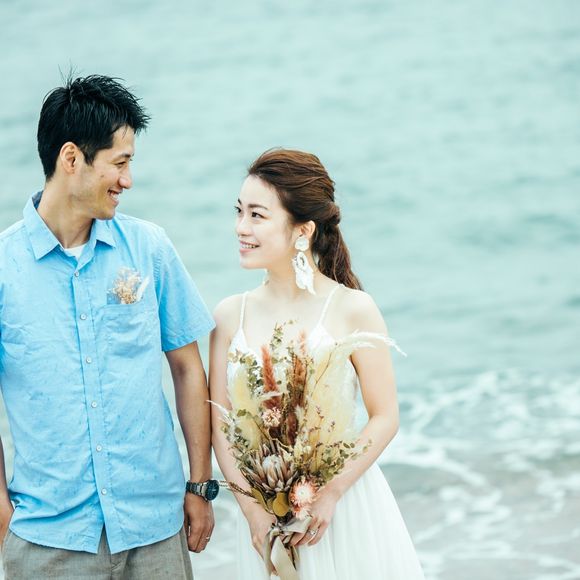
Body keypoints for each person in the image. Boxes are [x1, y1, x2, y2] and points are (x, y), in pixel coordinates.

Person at [0, 75, 218, 579]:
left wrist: (199, 485)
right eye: (119, 163)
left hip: (155, 528)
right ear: (71, 158)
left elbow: (187, 369)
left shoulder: (149, 248)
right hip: (48, 541)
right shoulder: (5, 268)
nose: (128, 180)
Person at [210, 148, 425, 579]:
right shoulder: (230, 315)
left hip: (342, 510)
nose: (241, 227)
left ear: (303, 230)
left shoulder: (353, 308)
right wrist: (253, 512)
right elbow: (220, 425)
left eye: (257, 215)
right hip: (265, 522)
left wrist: (330, 493)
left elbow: (385, 416)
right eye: (239, 212)